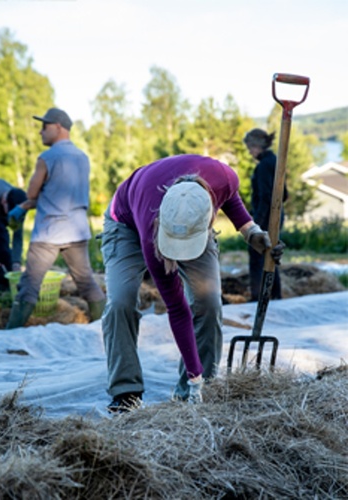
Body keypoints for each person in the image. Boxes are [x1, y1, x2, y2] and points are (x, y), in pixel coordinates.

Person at [100, 155, 284, 413]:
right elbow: (177, 310)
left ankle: (198, 393)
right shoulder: (151, 232)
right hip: (128, 225)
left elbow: (228, 197)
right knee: (121, 301)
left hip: (192, 223)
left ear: (209, 216)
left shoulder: (225, 176)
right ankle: (126, 392)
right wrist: (192, 370)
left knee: (208, 300)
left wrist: (251, 232)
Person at [6, 108, 106, 328]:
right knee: (87, 283)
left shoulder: (47, 157)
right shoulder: (82, 157)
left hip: (49, 232)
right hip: (77, 231)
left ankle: (8, 336)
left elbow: (32, 194)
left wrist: (25, 204)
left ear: (58, 127)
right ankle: (104, 328)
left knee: (29, 286)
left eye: (44, 126)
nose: (41, 132)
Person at [243, 129, 287, 301]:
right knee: (271, 255)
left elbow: (265, 197)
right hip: (276, 216)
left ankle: (258, 298)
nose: (249, 152)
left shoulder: (263, 166)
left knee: (257, 256)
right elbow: (284, 194)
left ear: (256, 146)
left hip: (266, 218)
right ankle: (275, 295)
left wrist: (256, 226)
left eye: (250, 148)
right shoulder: (276, 162)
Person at [0, 178, 27, 295]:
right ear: (4, 202)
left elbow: (18, 237)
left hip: (0, 216)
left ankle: (5, 291)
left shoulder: (20, 205)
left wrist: (16, 263)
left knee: (4, 254)